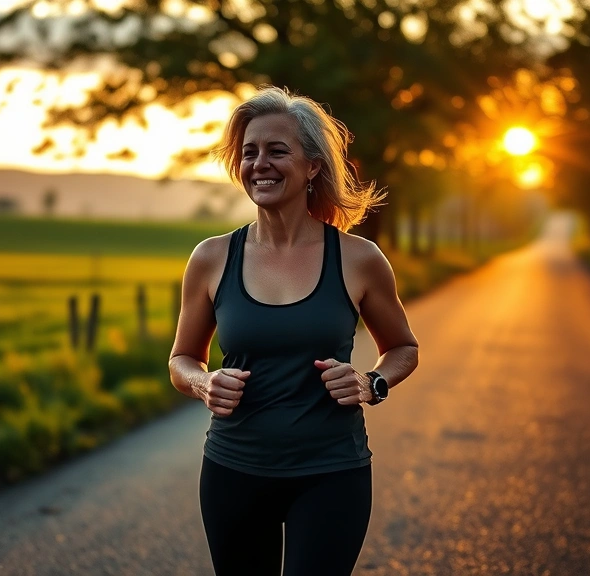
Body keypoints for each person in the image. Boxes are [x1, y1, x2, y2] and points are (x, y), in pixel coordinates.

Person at [168, 85, 420, 576]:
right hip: (233, 471)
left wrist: (372, 382)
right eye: (249, 153)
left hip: (331, 473)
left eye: (277, 151)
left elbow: (404, 348)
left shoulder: (359, 258)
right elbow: (181, 360)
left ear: (312, 167)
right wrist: (203, 383)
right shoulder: (212, 258)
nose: (259, 163)